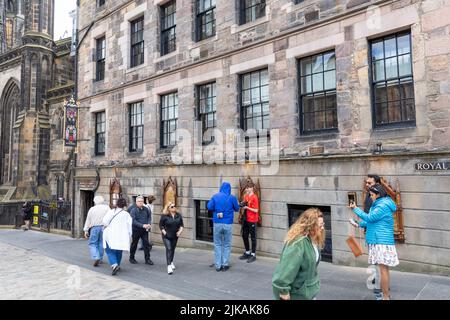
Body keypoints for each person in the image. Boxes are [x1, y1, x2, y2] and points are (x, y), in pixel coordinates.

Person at [349, 183, 399, 300]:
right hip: (380, 240)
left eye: (372, 194)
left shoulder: (382, 205)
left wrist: (355, 209)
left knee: (383, 271)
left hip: (380, 241)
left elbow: (370, 218)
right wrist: (358, 224)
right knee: (384, 270)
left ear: (378, 194)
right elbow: (373, 221)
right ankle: (386, 295)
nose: (371, 197)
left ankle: (386, 297)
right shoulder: (381, 203)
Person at [272, 208, 325, 300]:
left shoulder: (314, 240)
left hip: (308, 293)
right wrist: (283, 290)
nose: (322, 228)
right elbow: (285, 269)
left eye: (323, 224)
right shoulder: (297, 244)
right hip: (297, 294)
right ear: (311, 226)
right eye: (320, 226)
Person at [207, 182, 240, 272]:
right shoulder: (232, 197)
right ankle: (225, 264)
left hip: (217, 223)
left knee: (217, 244)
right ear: (229, 189)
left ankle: (218, 265)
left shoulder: (215, 196)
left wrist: (216, 209)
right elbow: (237, 208)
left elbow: (209, 207)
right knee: (227, 244)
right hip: (228, 223)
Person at [362, 174, 383, 300]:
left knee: (377, 263)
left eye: (369, 183)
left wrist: (356, 211)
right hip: (370, 230)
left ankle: (379, 290)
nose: (367, 185)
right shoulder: (370, 195)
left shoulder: (378, 199)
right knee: (376, 263)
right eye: (366, 182)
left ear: (377, 184)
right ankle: (379, 284)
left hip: (376, 235)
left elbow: (371, 217)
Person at [102, 198, 132, 275]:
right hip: (122, 235)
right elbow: (129, 227)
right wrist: (129, 235)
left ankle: (114, 264)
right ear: (124, 205)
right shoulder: (127, 214)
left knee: (109, 249)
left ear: (117, 204)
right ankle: (117, 264)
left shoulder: (111, 212)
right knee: (119, 250)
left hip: (110, 234)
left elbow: (105, 222)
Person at [83, 195, 110, 266]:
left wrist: (86, 230)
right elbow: (110, 218)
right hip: (104, 227)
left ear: (95, 201)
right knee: (101, 243)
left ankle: (96, 256)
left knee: (92, 243)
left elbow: (88, 220)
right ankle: (100, 258)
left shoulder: (92, 209)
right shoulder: (107, 208)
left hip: (94, 227)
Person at [159, 202, 184, 274]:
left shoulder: (178, 215)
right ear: (168, 208)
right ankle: (169, 266)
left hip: (175, 235)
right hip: (166, 236)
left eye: (174, 206)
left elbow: (182, 225)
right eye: (172, 207)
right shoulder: (164, 216)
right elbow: (160, 225)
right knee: (169, 249)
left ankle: (171, 261)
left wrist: (180, 232)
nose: (174, 207)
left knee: (172, 249)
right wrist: (164, 232)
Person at [129, 196, 153, 265]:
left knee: (146, 244)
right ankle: (131, 258)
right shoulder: (133, 210)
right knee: (134, 244)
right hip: (136, 230)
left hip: (144, 230)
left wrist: (149, 223)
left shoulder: (146, 209)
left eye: (142, 201)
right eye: (139, 201)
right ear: (136, 202)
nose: (140, 203)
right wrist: (142, 225)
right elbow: (133, 221)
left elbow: (149, 217)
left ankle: (147, 259)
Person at [239, 184, 260, 263]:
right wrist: (242, 204)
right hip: (246, 219)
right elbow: (244, 203)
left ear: (251, 188)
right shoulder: (246, 196)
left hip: (252, 219)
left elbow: (256, 210)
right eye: (246, 188)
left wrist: (247, 207)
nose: (246, 189)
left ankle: (253, 254)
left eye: (247, 188)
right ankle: (247, 252)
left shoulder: (254, 197)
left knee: (253, 237)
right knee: (244, 235)